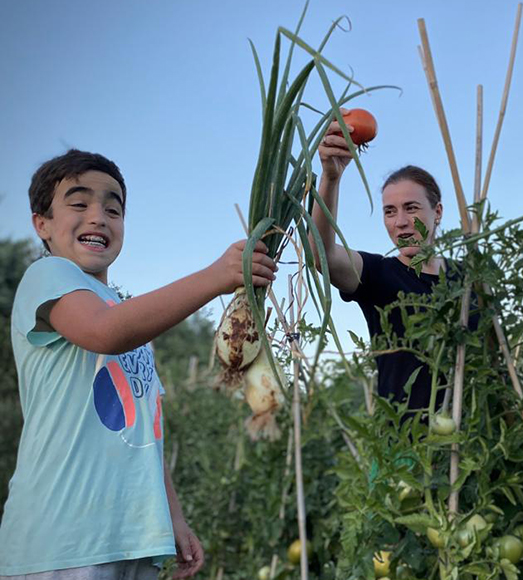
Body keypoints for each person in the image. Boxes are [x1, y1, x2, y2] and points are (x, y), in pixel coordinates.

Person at [0, 150, 277, 579]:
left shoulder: (125, 317)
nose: (98, 216)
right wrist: (217, 277)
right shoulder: (48, 275)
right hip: (64, 538)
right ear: (42, 224)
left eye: (113, 209)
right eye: (79, 203)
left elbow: (146, 430)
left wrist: (174, 519)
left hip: (131, 537)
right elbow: (105, 332)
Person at [310, 114, 454, 412]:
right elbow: (320, 255)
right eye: (389, 212)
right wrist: (331, 178)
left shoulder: (467, 278)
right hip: (403, 447)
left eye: (411, 208)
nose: (400, 222)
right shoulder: (379, 274)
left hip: (472, 443)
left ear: (437, 212)